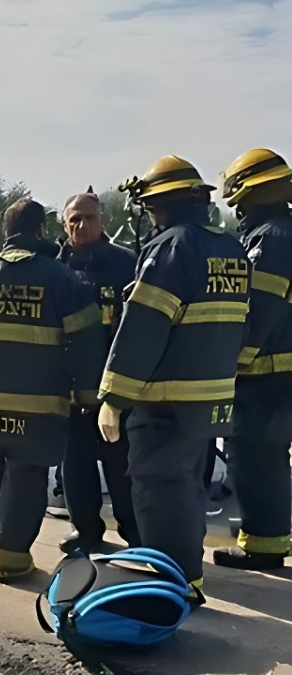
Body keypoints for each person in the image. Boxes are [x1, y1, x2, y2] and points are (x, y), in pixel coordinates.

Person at [98, 155, 250, 597]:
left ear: (158, 205)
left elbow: (143, 327)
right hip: (211, 396)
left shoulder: (172, 248)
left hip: (166, 399)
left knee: (160, 491)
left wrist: (114, 397)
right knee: (187, 489)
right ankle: (188, 576)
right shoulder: (231, 248)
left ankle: (170, 585)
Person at [0, 198, 105, 582]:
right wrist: (88, 397)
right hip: (37, 411)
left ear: (7, 232)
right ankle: (10, 560)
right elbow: (87, 344)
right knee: (26, 479)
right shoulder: (63, 279)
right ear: (41, 231)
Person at [212, 148, 292, 570]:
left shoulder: (271, 239)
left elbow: (256, 314)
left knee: (256, 459)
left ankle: (264, 545)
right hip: (277, 375)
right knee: (268, 460)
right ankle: (269, 538)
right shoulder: (281, 231)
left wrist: (229, 364)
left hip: (268, 378)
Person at [55, 189, 140, 553]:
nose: (82, 225)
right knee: (75, 466)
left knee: (122, 468)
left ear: (101, 220)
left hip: (114, 387)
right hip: (70, 387)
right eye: (74, 219)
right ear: (64, 225)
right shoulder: (55, 268)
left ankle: (136, 535)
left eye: (89, 218)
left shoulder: (126, 263)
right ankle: (86, 531)